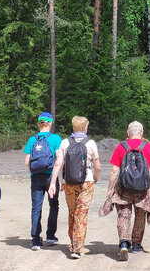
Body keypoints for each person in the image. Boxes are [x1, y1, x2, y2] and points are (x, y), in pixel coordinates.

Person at [100, 121, 150, 261]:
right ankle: (137, 245)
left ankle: (124, 243)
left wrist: (109, 189)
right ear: (142, 133)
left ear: (128, 132)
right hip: (142, 189)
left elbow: (114, 170)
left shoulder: (121, 147)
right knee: (140, 216)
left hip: (123, 188)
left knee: (123, 215)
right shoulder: (149, 147)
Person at [47, 115, 101, 259]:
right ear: (85, 128)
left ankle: (73, 243)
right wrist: (96, 176)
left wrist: (54, 182)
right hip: (86, 182)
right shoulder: (90, 143)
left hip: (69, 182)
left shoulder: (65, 142)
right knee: (81, 214)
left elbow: (59, 164)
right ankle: (77, 248)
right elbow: (97, 165)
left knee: (72, 212)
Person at [23, 111, 62, 250]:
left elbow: (27, 161)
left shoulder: (32, 140)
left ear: (38, 124)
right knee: (54, 205)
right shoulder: (56, 138)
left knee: (36, 207)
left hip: (36, 178)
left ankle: (35, 240)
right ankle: (50, 235)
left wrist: (33, 172)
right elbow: (59, 159)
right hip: (51, 176)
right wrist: (58, 178)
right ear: (50, 123)